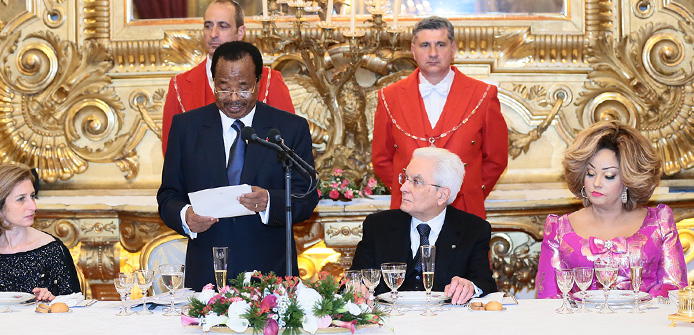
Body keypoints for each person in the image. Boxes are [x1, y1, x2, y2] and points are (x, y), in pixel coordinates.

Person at [157, 41, 319, 290]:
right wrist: (185, 216)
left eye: (244, 88)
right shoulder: (186, 128)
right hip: (207, 273)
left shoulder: (288, 129)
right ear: (213, 82)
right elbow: (168, 195)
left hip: (271, 274)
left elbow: (306, 197)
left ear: (258, 82)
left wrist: (269, 202)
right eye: (223, 88)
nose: (233, 98)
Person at [372, 16, 508, 219]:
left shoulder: (484, 95)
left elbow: (496, 159)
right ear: (413, 50)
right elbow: (381, 158)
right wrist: (414, 193)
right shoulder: (389, 97)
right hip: (408, 213)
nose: (433, 53)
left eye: (440, 45)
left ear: (452, 49)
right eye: (425, 45)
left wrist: (466, 193)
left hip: (465, 213)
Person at [536, 121, 687, 298]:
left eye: (609, 176)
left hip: (645, 324)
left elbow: (675, 293)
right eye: (590, 173)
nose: (597, 183)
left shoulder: (660, 223)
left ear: (629, 179)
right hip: (580, 325)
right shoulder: (558, 229)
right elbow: (548, 301)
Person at [351, 147, 497, 304]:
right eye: (405, 178)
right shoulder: (378, 226)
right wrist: (356, 287)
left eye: (416, 182)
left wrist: (470, 287)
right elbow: (354, 277)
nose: (403, 188)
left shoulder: (473, 229)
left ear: (442, 195)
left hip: (446, 323)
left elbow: (485, 283)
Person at [161, 0, 295, 155]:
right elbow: (171, 153)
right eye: (208, 25)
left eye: (223, 26)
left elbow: (289, 141)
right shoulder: (180, 85)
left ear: (240, 32)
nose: (213, 34)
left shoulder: (270, 79)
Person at [0, 163, 81, 302]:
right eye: (21, 199)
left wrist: (53, 300)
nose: (33, 206)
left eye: (32, 196)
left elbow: (76, 308)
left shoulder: (53, 250)